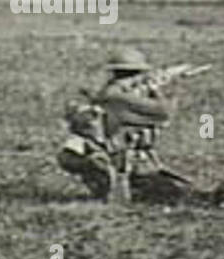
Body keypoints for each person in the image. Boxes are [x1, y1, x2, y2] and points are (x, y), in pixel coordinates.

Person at [58, 47, 182, 201]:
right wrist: (161, 89)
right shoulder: (117, 97)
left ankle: (110, 186)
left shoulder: (110, 93)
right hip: (125, 163)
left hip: (119, 159)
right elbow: (164, 113)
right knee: (174, 194)